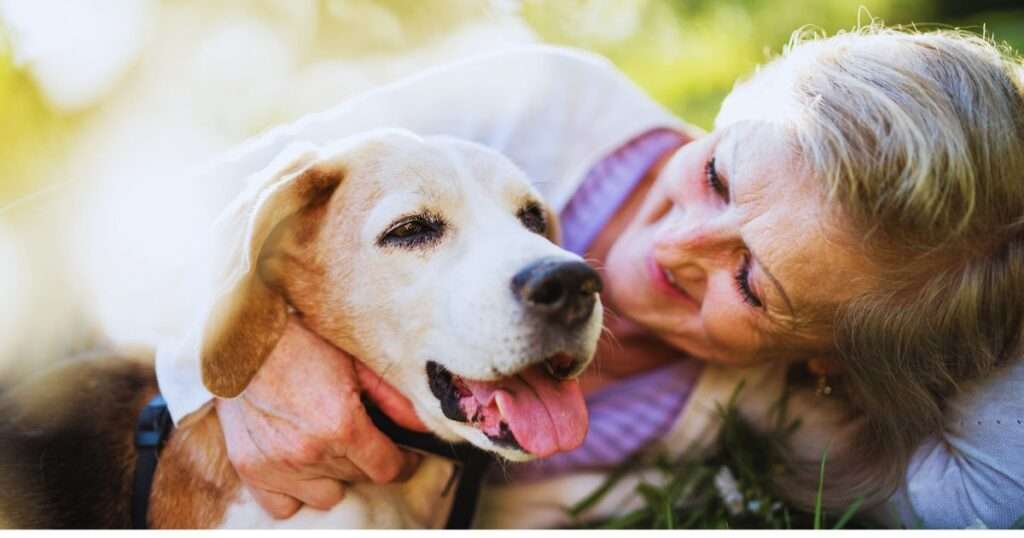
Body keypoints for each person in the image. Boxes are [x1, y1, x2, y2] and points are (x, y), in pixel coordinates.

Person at [156, 26, 1024, 528]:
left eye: (753, 284)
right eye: (718, 174)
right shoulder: (541, 103)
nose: (671, 250)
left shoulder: (779, 404)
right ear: (731, 109)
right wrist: (236, 359)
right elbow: (137, 222)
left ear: (828, 357)